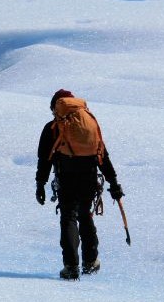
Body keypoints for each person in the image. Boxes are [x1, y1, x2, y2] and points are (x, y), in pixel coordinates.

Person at [35, 89, 124, 280]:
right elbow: (103, 156)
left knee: (68, 218)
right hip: (89, 177)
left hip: (66, 177)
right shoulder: (89, 125)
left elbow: (45, 159)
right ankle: (91, 262)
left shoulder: (52, 128)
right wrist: (114, 182)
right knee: (85, 215)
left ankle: (71, 266)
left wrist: (40, 184)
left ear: (56, 107)